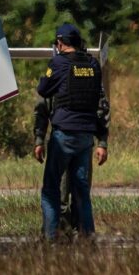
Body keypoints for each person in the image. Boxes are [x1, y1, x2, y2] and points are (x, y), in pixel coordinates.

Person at [36, 23, 106, 242]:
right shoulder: (93, 64)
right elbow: (99, 102)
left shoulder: (59, 62)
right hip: (86, 135)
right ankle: (87, 237)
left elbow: (43, 90)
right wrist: (102, 139)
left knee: (51, 189)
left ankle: (50, 238)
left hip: (64, 134)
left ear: (60, 43)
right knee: (81, 190)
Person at [33, 91, 109, 238]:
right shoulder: (91, 75)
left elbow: (42, 105)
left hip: (63, 137)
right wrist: (102, 141)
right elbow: (102, 108)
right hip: (83, 137)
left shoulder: (56, 74)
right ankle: (82, 236)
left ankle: (57, 236)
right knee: (79, 192)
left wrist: (39, 138)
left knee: (56, 192)